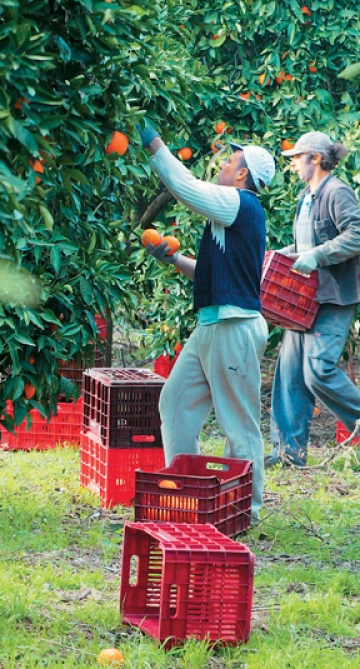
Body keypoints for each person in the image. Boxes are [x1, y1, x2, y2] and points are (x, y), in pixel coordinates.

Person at [138, 123, 275, 523]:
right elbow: (215, 274)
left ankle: (246, 511)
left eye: (231, 160)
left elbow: (184, 186)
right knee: (175, 402)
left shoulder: (241, 203)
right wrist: (174, 259)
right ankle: (184, 493)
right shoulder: (229, 216)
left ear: (242, 173)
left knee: (239, 422)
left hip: (235, 327)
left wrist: (153, 142)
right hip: (212, 325)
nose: (224, 163)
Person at [265, 131, 360, 468]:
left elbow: (358, 236)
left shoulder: (337, 192)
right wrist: (290, 253)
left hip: (334, 297)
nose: (292, 164)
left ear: (316, 158)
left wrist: (319, 255)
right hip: (305, 297)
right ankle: (288, 453)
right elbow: (311, 242)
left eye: (298, 157)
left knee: (318, 371)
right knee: (291, 374)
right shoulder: (305, 196)